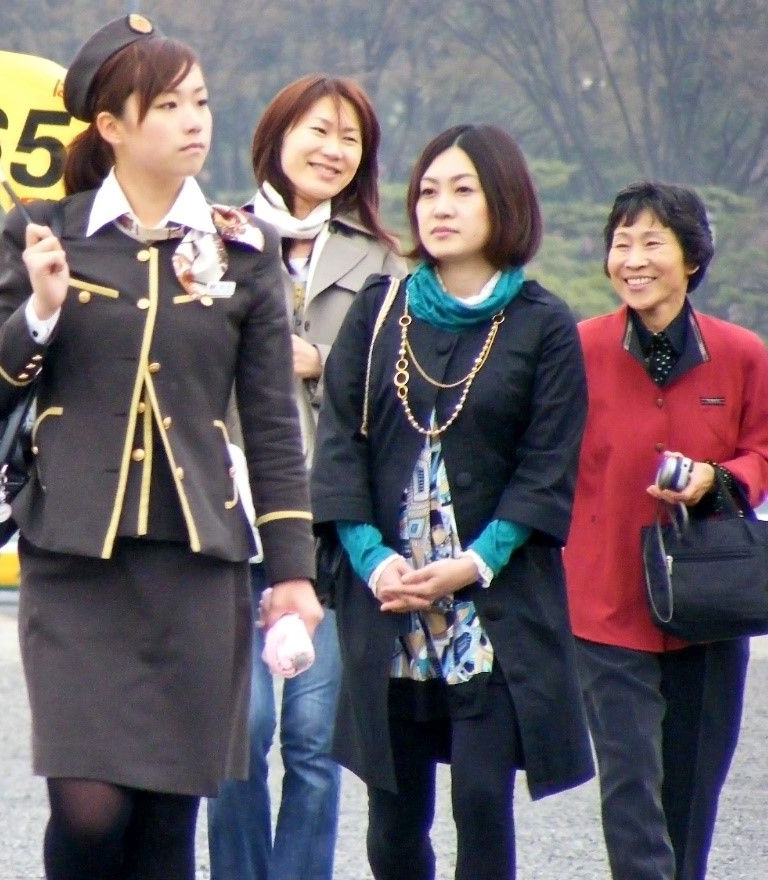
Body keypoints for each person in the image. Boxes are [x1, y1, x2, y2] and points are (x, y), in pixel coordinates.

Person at [0, 15, 319, 880]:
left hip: (198, 567)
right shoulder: (46, 231)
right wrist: (41, 310)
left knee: (165, 830)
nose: (195, 120)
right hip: (75, 560)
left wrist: (293, 572)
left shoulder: (246, 246)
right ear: (112, 128)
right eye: (167, 105)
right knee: (88, 815)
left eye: (199, 101)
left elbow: (271, 421)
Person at [310, 124, 594, 880]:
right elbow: (338, 446)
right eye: (429, 189)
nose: (441, 206)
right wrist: (373, 563)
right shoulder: (380, 310)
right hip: (390, 601)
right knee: (393, 821)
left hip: (490, 603)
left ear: (504, 202)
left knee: (479, 797)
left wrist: (470, 565)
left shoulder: (544, 323)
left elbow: (547, 468)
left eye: (463, 189)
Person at [207, 74, 405, 880]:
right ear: (277, 134)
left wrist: (321, 365)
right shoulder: (213, 237)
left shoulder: (378, 259)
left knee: (316, 742)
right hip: (229, 518)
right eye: (318, 130)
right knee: (242, 732)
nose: (331, 150)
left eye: (349, 139)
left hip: (327, 529)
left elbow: (401, 389)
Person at [564, 182, 768, 880]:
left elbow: (763, 450)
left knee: (691, 791)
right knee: (630, 782)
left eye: (653, 242)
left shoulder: (741, 353)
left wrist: (719, 479)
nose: (634, 259)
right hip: (606, 599)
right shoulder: (578, 348)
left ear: (692, 258)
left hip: (709, 600)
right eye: (622, 243)